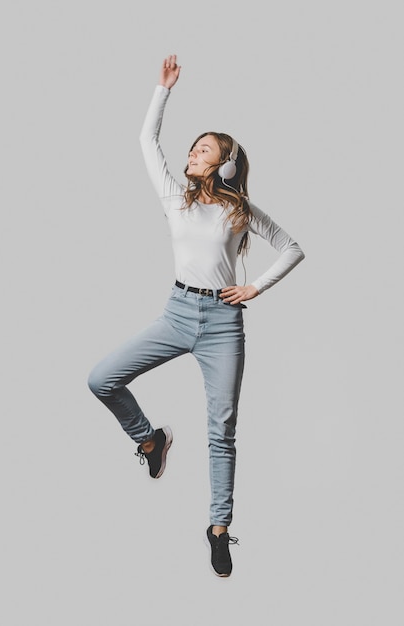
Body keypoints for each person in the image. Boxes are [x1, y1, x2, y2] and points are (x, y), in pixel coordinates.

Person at [88, 54, 305, 577]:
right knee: (101, 378)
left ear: (224, 163)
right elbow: (147, 143)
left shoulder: (238, 209)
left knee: (221, 430)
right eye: (191, 147)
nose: (191, 153)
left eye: (203, 148)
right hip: (178, 311)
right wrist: (162, 91)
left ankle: (217, 529)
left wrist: (254, 286)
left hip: (224, 325)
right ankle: (148, 438)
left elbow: (293, 247)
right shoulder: (175, 198)